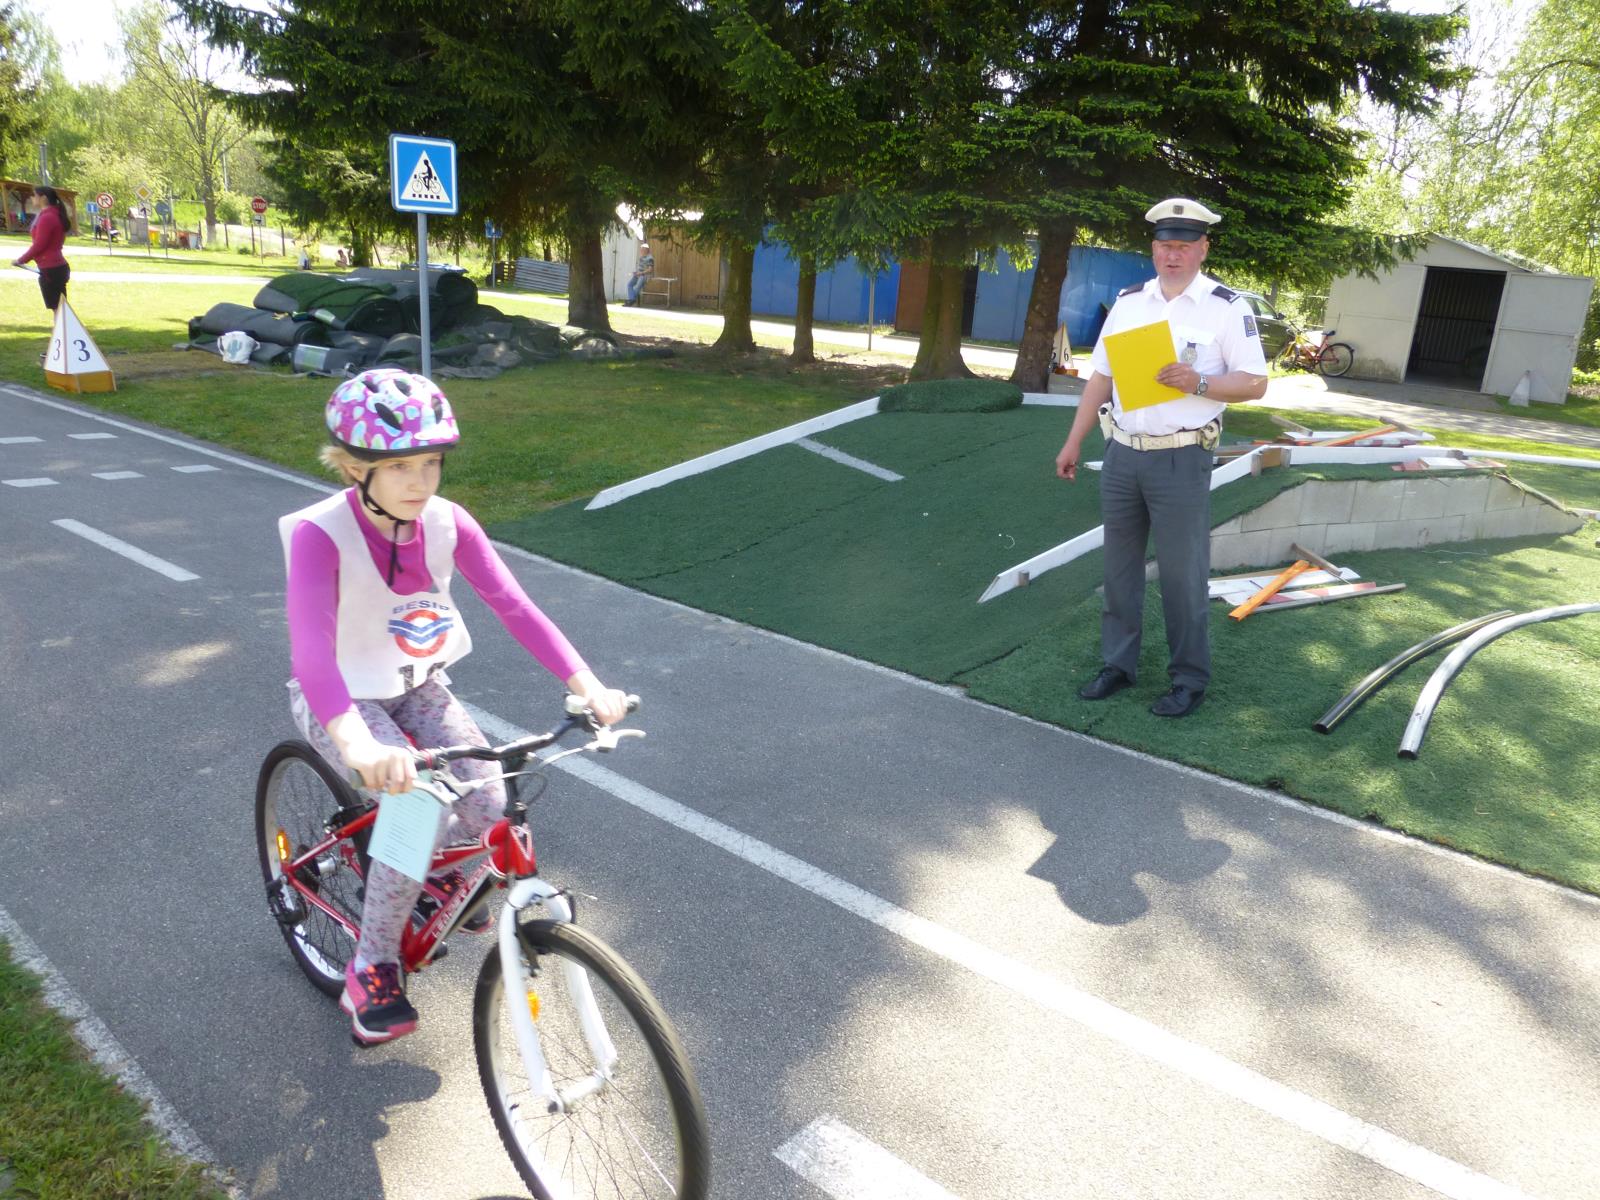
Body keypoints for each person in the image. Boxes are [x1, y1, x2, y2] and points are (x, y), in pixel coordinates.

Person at [280, 369, 629, 1045]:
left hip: (414, 684)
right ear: (355, 467)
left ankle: (438, 892)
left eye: (432, 463)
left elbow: (514, 606)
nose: (421, 481)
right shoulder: (320, 535)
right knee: (417, 810)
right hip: (345, 700)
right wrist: (356, 743)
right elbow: (312, 655)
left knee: (489, 802)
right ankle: (374, 963)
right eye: (400, 466)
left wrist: (586, 682)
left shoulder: (445, 523)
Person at [1054, 198, 1269, 719]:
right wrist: (1074, 439)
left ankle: (1189, 679)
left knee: (1181, 575)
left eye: (1184, 245)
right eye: (1164, 245)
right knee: (1120, 569)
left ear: (1203, 248)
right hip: (1122, 451)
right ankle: (1118, 665)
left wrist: (1198, 381)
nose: (1173, 255)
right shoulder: (1130, 302)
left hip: (1181, 458)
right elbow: (1101, 377)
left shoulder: (1227, 307)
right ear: (1153, 249)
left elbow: (1255, 382)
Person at [13, 186, 71, 313]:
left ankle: (62, 333)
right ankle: (62, 332)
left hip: (51, 269)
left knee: (59, 309)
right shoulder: (50, 214)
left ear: (43, 198)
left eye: (34, 195)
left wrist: (21, 260)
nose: (31, 197)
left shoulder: (47, 217)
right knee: (59, 308)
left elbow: (40, 244)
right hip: (54, 267)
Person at [625, 241, 654, 306]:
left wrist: (640, 273)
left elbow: (650, 270)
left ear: (646, 250)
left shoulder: (650, 258)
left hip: (645, 275)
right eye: (640, 250)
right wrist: (636, 272)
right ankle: (631, 300)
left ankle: (630, 301)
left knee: (637, 287)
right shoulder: (641, 257)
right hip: (639, 274)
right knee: (629, 285)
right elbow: (640, 268)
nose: (640, 251)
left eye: (642, 250)